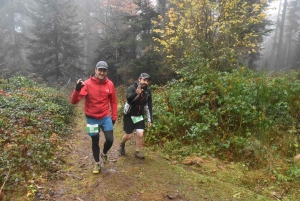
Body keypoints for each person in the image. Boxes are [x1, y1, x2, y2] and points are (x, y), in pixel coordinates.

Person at [70, 61, 117, 174]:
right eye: (99, 70)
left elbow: (113, 101)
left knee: (110, 140)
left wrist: (114, 116)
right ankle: (97, 164)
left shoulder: (110, 84)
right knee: (95, 141)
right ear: (95, 70)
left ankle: (104, 153)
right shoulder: (86, 84)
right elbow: (74, 101)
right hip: (91, 118)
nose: (101, 72)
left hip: (105, 116)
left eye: (104, 70)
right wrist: (77, 89)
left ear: (106, 72)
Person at [119, 73, 153, 159]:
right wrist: (136, 93)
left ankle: (137, 151)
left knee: (140, 134)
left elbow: (149, 105)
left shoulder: (148, 91)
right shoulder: (131, 88)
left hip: (139, 115)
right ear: (139, 79)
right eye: (144, 80)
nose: (146, 82)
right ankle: (122, 144)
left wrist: (150, 119)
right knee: (129, 135)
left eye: (148, 81)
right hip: (129, 114)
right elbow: (129, 99)